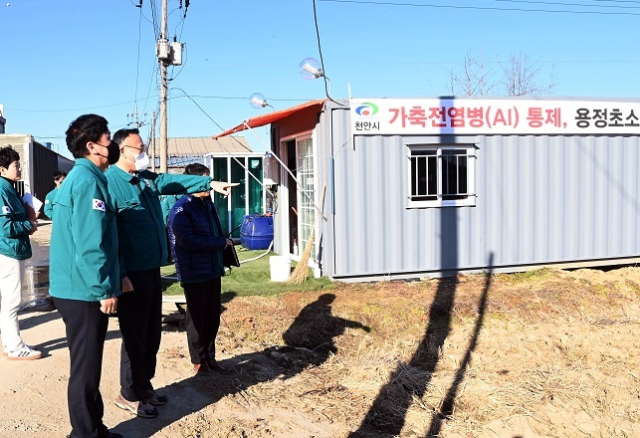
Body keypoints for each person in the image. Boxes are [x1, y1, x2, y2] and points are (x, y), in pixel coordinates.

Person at [106, 128, 237, 418]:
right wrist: (120, 273)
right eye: (139, 149)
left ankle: (144, 385)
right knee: (135, 335)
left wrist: (210, 182)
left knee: (152, 334)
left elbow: (170, 180)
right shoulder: (110, 184)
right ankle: (128, 393)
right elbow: (108, 235)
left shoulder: (145, 180)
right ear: (121, 151)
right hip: (131, 273)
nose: (144, 154)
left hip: (152, 267)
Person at [49, 114, 122, 438]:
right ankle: (84, 434)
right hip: (82, 290)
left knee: (87, 366)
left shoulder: (82, 178)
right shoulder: (88, 181)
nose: (113, 144)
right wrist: (103, 288)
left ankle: (94, 428)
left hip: (75, 287)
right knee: (85, 369)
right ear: (91, 145)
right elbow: (90, 245)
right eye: (108, 138)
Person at [167, 163, 233, 374]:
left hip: (212, 268)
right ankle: (198, 361)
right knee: (197, 317)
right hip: (194, 271)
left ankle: (210, 357)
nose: (209, 185)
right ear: (192, 183)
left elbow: (214, 231)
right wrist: (220, 244)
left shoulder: (208, 204)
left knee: (212, 316)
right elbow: (187, 241)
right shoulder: (181, 208)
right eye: (204, 181)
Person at [0, 146, 40, 360]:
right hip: (8, 252)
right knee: (12, 302)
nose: (20, 168)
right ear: (2, 169)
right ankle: (15, 348)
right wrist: (29, 224)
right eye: (16, 165)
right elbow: (6, 227)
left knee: (8, 302)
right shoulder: (1, 190)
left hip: (10, 251)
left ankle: (9, 344)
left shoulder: (9, 188)